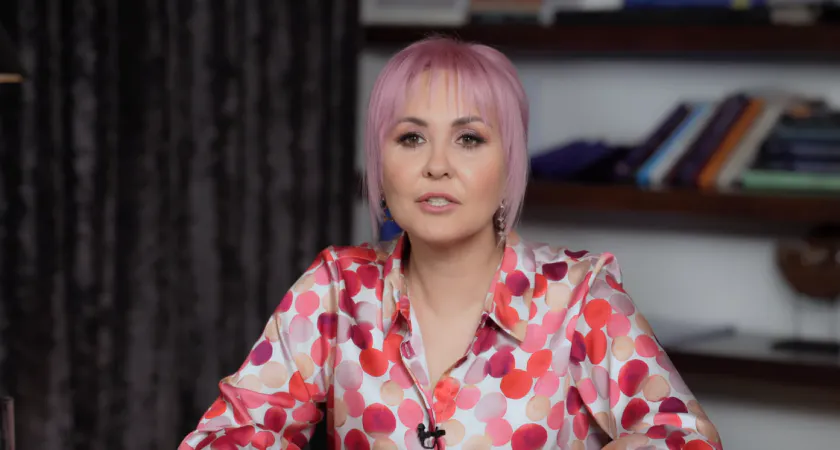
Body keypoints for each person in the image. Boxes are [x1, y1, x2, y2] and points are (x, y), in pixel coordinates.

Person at [179, 36, 722, 450]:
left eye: (469, 138)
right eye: (411, 137)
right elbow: (227, 436)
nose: (437, 165)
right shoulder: (336, 290)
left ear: (509, 166)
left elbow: (684, 437)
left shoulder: (580, 299)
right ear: (380, 165)